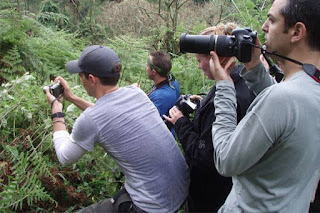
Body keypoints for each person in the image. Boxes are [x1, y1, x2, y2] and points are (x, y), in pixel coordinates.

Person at [43, 45, 190, 212]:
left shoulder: (92, 119)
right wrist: (72, 98)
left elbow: (64, 156)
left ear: (91, 79)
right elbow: (107, 114)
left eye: (80, 75)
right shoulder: (137, 94)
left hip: (153, 205)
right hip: (181, 190)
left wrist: (57, 112)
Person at [209, 0, 320, 212]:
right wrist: (254, 68)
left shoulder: (282, 98)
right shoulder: (311, 86)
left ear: (297, 31)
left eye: (271, 20)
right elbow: (289, 114)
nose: (263, 28)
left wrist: (223, 86)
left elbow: (225, 160)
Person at [163, 23, 255, 212]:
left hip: (211, 197)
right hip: (232, 190)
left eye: (199, 60)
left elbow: (204, 158)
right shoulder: (244, 80)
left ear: (216, 58)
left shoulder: (227, 99)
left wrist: (180, 122)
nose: (198, 66)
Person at [146, 51, 180, 117]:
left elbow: (148, 122)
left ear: (153, 72)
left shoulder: (160, 98)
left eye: (147, 66)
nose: (146, 68)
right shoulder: (172, 81)